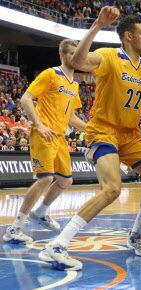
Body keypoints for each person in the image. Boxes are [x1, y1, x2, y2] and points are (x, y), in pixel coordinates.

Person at [39, 7, 141, 271]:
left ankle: (135, 235)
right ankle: (57, 246)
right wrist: (97, 25)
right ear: (128, 36)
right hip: (104, 129)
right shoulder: (109, 56)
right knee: (112, 189)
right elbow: (78, 62)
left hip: (131, 134)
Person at [3, 39, 86, 244]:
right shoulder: (51, 74)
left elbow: (71, 118)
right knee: (45, 179)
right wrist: (39, 125)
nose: (76, 57)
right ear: (63, 55)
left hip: (60, 137)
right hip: (44, 133)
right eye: (72, 53)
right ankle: (15, 228)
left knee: (66, 180)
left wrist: (94, 129)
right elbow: (25, 98)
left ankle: (40, 212)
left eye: (78, 54)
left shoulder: (74, 85)